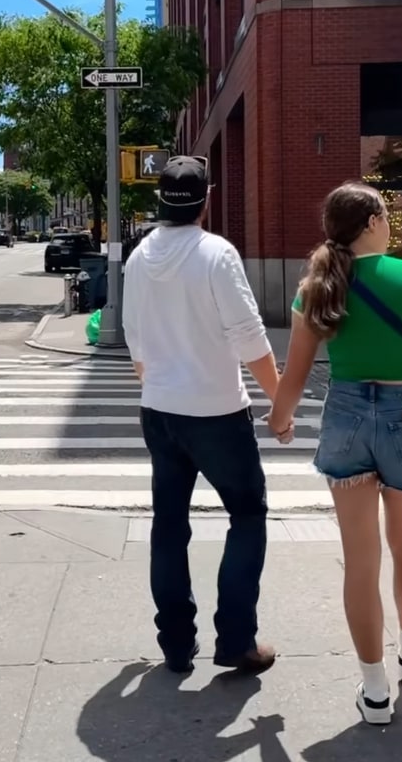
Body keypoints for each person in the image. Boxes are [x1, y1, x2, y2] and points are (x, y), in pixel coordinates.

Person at [269, 181, 402, 725]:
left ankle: (374, 691)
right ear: (373, 221)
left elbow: (297, 370)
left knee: (361, 559)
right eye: (386, 212)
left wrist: (280, 418)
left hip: (346, 418)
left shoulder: (317, 286)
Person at [122, 155, 292, 675]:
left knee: (169, 526)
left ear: (160, 200)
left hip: (160, 410)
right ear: (207, 198)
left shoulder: (138, 256)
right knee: (246, 515)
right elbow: (249, 337)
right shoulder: (216, 254)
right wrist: (280, 405)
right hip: (216, 411)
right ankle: (236, 640)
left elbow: (134, 339)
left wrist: (157, 386)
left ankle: (176, 645)